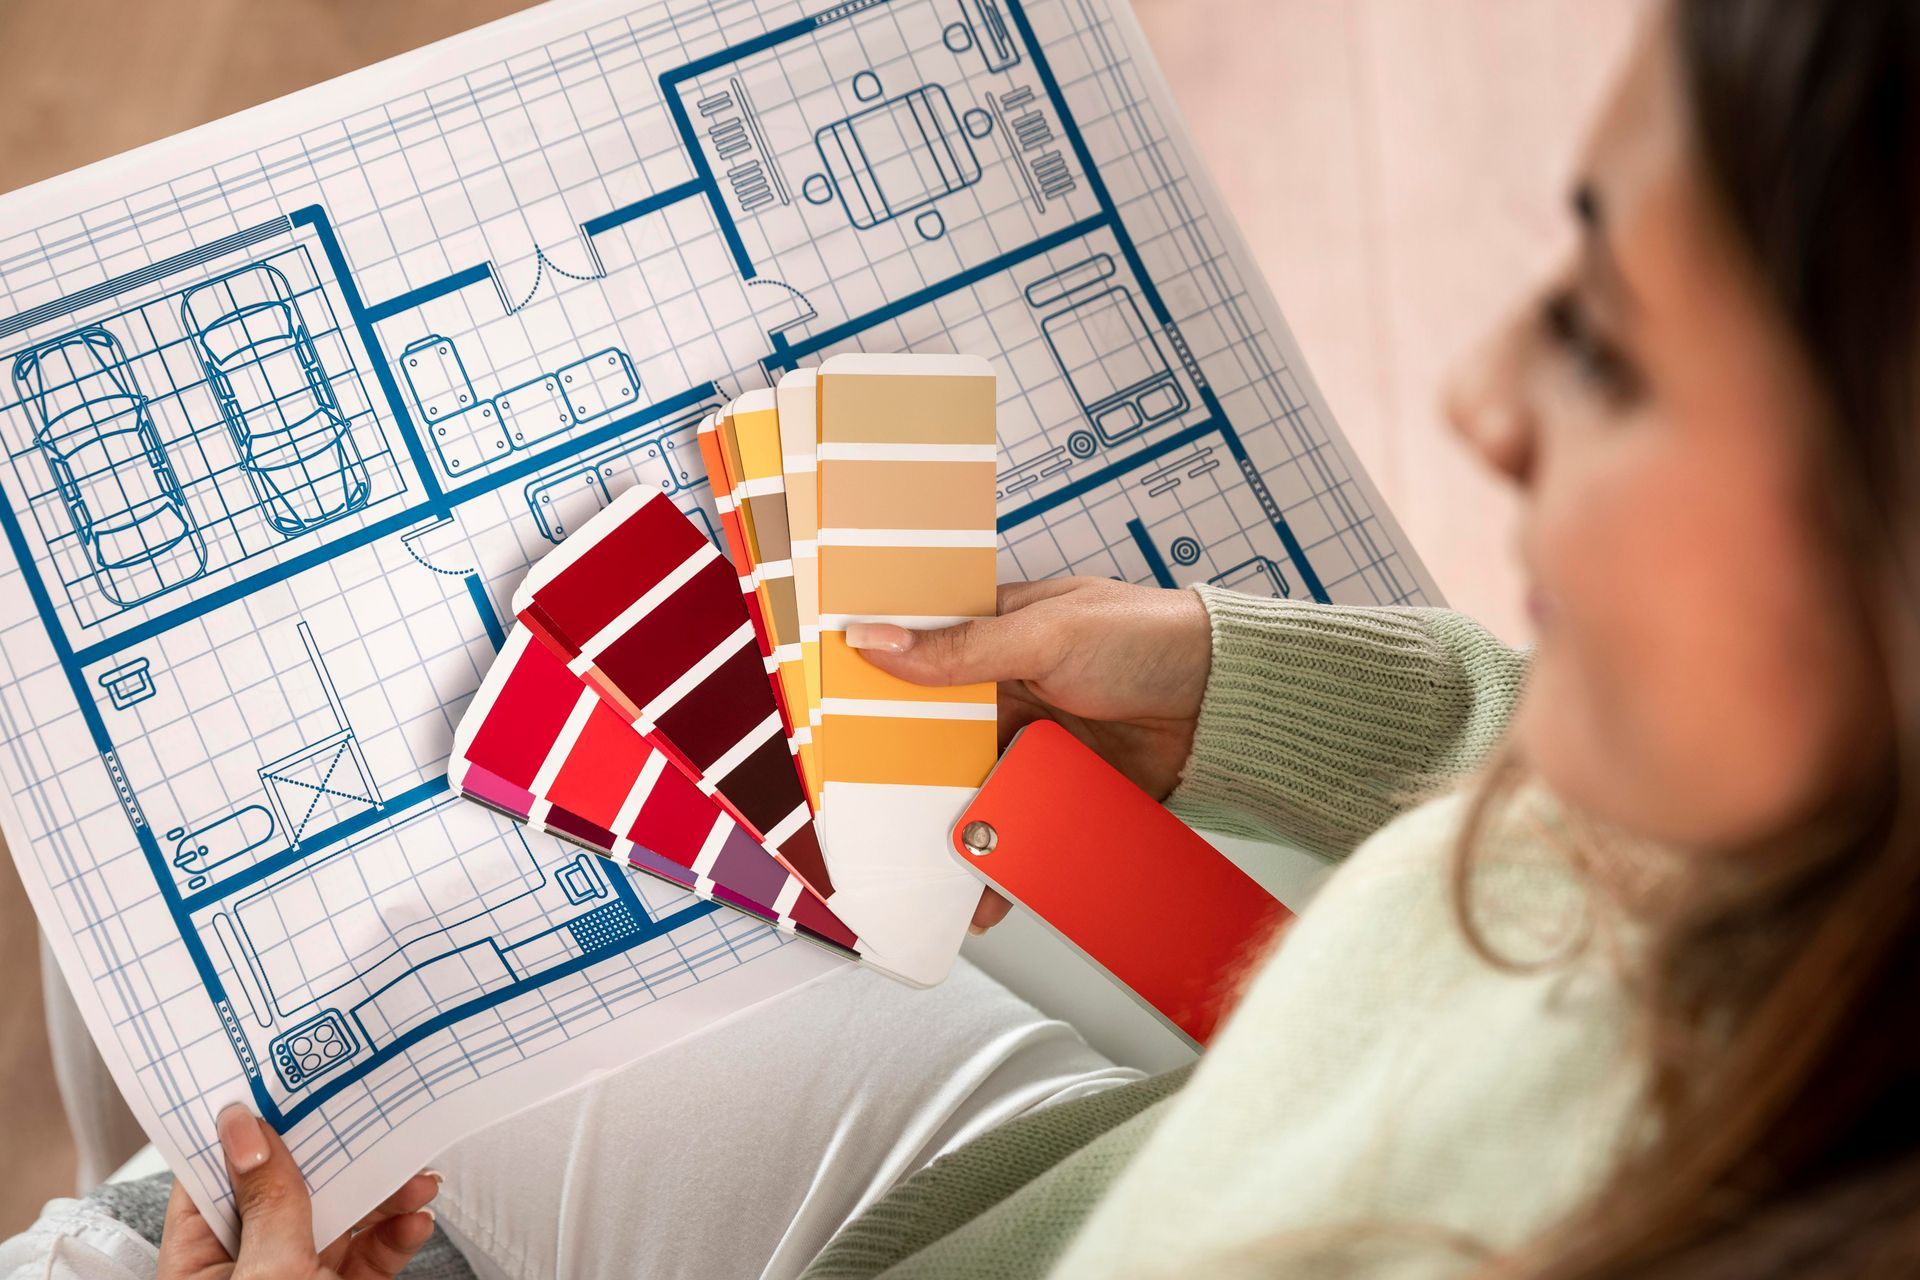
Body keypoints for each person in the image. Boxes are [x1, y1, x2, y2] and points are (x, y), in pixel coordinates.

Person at [9, 0, 1918, 1274]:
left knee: (219, 1083)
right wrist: (1291, 695)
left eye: (1608, 346)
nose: (1491, 398)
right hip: (1148, 1126)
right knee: (224, 1051)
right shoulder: (1820, 836)